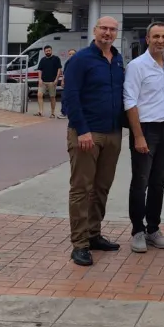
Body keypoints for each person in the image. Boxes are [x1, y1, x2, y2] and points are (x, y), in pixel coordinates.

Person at [62, 17, 125, 267]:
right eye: (104, 29)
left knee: (101, 188)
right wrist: (82, 130)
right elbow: (70, 96)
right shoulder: (80, 60)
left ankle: (94, 234)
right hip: (86, 134)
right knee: (81, 189)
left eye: (112, 30)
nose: (108, 33)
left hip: (112, 133)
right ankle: (79, 244)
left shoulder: (118, 60)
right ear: (94, 30)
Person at [123, 22, 164, 254]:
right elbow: (130, 101)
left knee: (158, 183)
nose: (160, 41)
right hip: (146, 130)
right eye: (156, 36)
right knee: (140, 182)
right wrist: (138, 136)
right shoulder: (137, 66)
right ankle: (137, 230)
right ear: (147, 39)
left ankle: (153, 229)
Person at [35, 45, 63, 118]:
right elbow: (40, 70)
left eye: (49, 51)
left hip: (52, 82)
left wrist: (56, 79)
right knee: (39, 95)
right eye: (46, 51)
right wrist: (40, 79)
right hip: (43, 81)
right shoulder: (42, 60)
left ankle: (53, 113)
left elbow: (59, 69)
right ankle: (41, 111)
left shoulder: (56, 59)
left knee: (52, 97)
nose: (48, 52)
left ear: (51, 50)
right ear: (44, 52)